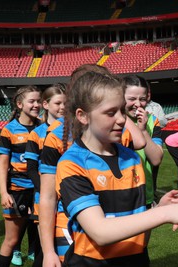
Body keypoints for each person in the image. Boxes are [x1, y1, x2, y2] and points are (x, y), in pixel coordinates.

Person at [56, 70, 178, 266]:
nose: (122, 120)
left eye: (122, 111)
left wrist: (161, 207)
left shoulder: (131, 158)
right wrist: (164, 214)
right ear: (83, 116)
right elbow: (100, 232)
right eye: (110, 112)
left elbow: (140, 236)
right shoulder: (72, 164)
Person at [39, 64, 145, 267]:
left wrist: (116, 107)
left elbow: (139, 142)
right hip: (73, 227)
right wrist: (48, 250)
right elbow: (48, 197)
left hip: (120, 228)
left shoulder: (115, 136)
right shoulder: (56, 138)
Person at [22, 83, 66, 267]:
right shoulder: (36, 134)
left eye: (66, 103)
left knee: (66, 248)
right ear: (46, 105)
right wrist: (48, 191)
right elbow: (31, 169)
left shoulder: (72, 130)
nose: (63, 107)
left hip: (68, 198)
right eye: (58, 103)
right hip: (44, 198)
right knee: (46, 250)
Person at [0, 85, 42, 267]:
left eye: (39, 101)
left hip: (40, 190)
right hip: (17, 189)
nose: (36, 105)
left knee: (43, 238)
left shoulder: (44, 128)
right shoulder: (9, 130)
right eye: (32, 101)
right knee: (12, 239)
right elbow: (3, 164)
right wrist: (3, 192)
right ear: (19, 103)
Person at [123, 75, 163, 207]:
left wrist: (143, 130)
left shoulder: (152, 121)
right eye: (132, 99)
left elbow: (156, 159)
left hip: (144, 193)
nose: (138, 104)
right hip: (118, 191)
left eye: (142, 99)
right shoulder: (113, 119)